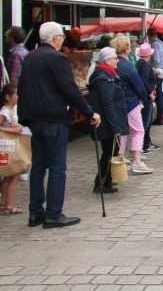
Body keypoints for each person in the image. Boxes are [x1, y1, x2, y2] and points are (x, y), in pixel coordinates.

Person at [18, 21, 101, 228]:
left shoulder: (30, 56)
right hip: (52, 117)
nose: (63, 40)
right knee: (57, 166)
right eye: (61, 37)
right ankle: (53, 214)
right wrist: (89, 111)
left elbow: (23, 86)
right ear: (55, 38)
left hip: (34, 118)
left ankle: (35, 212)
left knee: (38, 166)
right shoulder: (56, 57)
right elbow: (69, 89)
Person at [86, 47, 129, 194]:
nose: (117, 61)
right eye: (114, 58)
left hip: (110, 121)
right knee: (109, 152)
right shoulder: (103, 78)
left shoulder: (108, 75)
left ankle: (105, 180)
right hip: (107, 123)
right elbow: (107, 103)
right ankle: (102, 182)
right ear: (106, 60)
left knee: (111, 151)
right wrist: (115, 127)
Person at [111, 36, 152, 175]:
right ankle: (137, 161)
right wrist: (143, 97)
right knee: (138, 131)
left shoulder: (113, 63)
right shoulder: (127, 66)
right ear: (127, 48)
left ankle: (119, 161)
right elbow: (138, 85)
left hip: (116, 103)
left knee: (121, 132)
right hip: (130, 101)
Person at [0, 83, 24, 213]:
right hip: (9, 147)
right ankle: (9, 204)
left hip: (11, 147)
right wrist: (13, 130)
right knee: (14, 175)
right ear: (8, 97)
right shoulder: (5, 111)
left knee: (9, 176)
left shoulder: (10, 110)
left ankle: (4, 203)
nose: (18, 97)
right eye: (16, 94)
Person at [135, 43, 159, 154]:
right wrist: (150, 93)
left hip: (142, 96)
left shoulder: (139, 63)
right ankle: (143, 145)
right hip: (146, 96)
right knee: (146, 121)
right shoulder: (144, 65)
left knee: (146, 121)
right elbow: (144, 80)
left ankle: (146, 143)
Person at [147, 28, 163, 124]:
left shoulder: (154, 44)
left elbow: (156, 60)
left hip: (157, 73)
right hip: (162, 72)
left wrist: (154, 68)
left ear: (149, 36)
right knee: (161, 94)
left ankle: (159, 118)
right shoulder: (161, 43)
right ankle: (162, 115)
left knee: (158, 95)